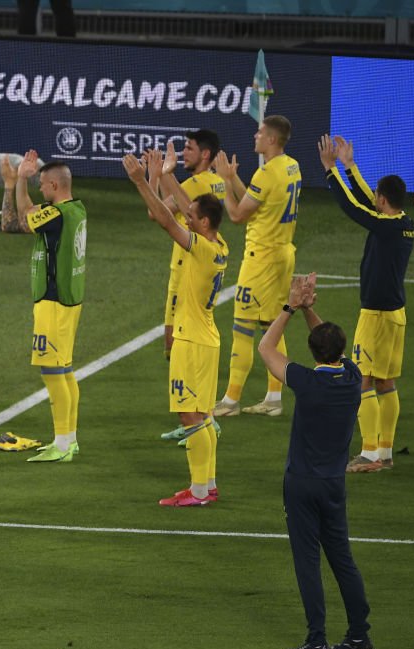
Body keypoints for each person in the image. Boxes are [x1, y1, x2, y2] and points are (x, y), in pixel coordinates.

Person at [258, 274, 374, 649]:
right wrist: (311, 311)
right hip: (333, 484)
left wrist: (291, 307)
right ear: (340, 351)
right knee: (342, 558)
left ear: (313, 352)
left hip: (302, 483)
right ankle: (359, 636)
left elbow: (266, 347)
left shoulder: (306, 382)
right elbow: (328, 346)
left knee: (307, 561)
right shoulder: (353, 378)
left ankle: (317, 642)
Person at [124, 153, 228, 507]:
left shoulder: (199, 249)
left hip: (192, 341)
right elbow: (181, 210)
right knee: (203, 415)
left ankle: (197, 492)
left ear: (203, 222)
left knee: (190, 416)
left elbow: (166, 221)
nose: (187, 215)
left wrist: (141, 180)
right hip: (208, 339)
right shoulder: (220, 245)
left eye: (192, 215)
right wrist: (165, 176)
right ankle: (208, 485)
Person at [318, 134, 414, 473]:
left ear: (383, 199)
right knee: (386, 382)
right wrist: (349, 166)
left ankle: (370, 453)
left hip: (375, 316)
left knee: (362, 380)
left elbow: (353, 207)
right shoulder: (403, 222)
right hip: (395, 314)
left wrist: (331, 172)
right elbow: (365, 201)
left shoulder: (386, 225)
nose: (374, 198)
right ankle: (385, 451)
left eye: (377, 195)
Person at [212, 115, 302, 418]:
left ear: (272, 140)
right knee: (272, 326)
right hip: (283, 254)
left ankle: (230, 400)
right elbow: (256, 201)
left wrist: (225, 181)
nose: (256, 136)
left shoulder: (267, 174)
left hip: (261, 258)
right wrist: (235, 179)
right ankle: (274, 398)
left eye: (260, 133)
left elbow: (238, 215)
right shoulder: (292, 166)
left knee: (242, 327)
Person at [2, 151, 87, 463]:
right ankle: (70, 440)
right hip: (69, 300)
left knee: (52, 371)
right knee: (64, 370)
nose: (39, 189)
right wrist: (23, 180)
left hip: (53, 302)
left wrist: (20, 180)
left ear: (53, 185)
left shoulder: (57, 216)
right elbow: (30, 213)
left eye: (41, 184)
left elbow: (21, 221)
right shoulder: (75, 209)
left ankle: (62, 444)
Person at [145, 133, 227, 444]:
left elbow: (160, 214)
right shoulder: (215, 183)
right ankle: (198, 415)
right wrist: (165, 174)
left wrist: (151, 178)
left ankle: (196, 418)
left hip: (187, 272)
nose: (184, 152)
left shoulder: (194, 188)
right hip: (198, 280)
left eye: (190, 148)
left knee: (172, 341)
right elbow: (180, 205)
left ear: (205, 153)